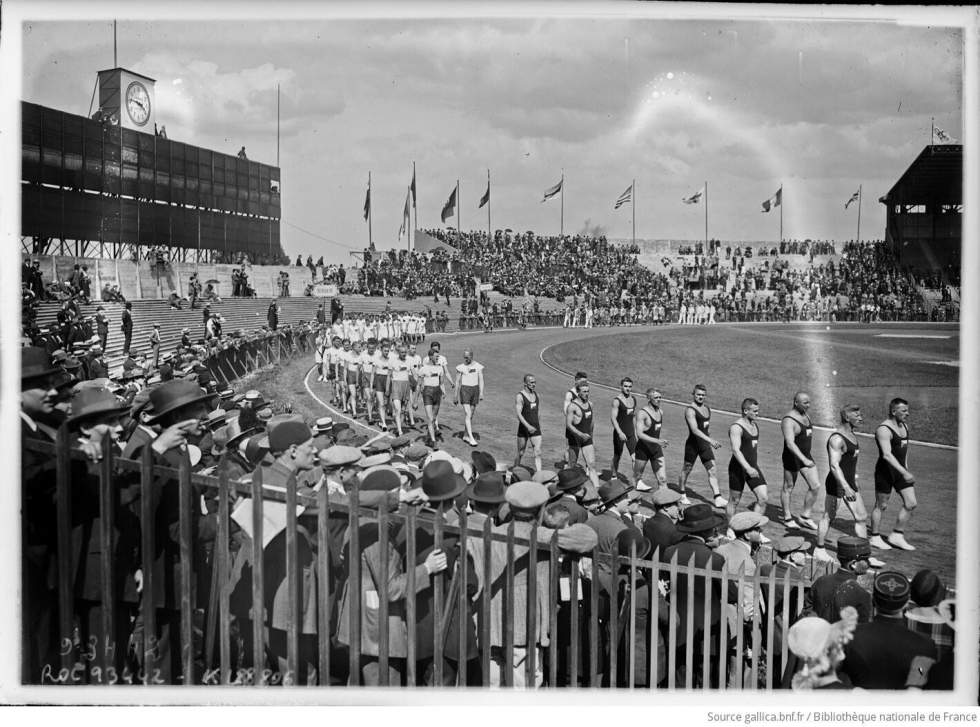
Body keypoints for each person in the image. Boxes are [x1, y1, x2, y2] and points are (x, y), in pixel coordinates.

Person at [840, 571, 937, 689]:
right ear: (907, 603)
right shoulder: (925, 646)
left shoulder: (849, 636)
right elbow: (919, 680)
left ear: (873, 600)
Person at [815, 404, 873, 559]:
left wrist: (854, 479)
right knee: (828, 516)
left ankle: (862, 553)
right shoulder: (837, 439)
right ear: (847, 418)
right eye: (857, 416)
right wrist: (845, 487)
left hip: (849, 483)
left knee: (861, 517)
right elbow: (834, 466)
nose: (861, 418)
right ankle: (819, 549)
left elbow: (848, 463)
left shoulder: (852, 436)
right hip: (837, 484)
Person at [870, 397, 917, 551]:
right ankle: (875, 537)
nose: (907, 413)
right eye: (904, 411)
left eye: (907, 410)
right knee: (881, 505)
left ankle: (897, 535)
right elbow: (887, 455)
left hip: (901, 472)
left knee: (911, 503)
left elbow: (905, 449)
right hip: (885, 473)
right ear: (893, 411)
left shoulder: (904, 426)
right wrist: (904, 472)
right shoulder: (883, 429)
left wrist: (906, 467)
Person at [677, 384, 726, 507]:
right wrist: (710, 440)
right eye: (698, 394)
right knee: (687, 469)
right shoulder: (690, 410)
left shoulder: (707, 409)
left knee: (712, 470)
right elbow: (694, 430)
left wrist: (708, 439)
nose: (700, 397)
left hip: (704, 446)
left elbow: (704, 428)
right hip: (692, 446)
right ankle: (682, 494)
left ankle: (717, 497)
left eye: (703, 395)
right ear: (693, 394)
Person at [780, 391, 820, 530]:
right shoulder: (788, 420)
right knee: (788, 487)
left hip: (806, 456)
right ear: (796, 402)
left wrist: (806, 457)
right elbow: (790, 443)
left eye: (809, 402)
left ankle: (805, 517)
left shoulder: (805, 415)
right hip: (793, 458)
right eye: (805, 403)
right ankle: (787, 517)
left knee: (815, 486)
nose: (808, 405)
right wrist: (803, 459)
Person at [726, 397, 769, 521]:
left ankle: (753, 529)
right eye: (754, 411)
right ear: (745, 411)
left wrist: (751, 467)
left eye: (757, 411)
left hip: (753, 467)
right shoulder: (736, 427)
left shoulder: (754, 425)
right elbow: (735, 450)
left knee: (763, 498)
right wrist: (747, 468)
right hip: (738, 469)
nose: (757, 413)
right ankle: (730, 529)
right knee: (734, 500)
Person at [633, 387, 669, 492]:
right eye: (656, 397)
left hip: (656, 449)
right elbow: (639, 434)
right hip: (643, 450)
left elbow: (655, 431)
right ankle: (630, 502)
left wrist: (659, 442)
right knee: (636, 478)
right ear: (649, 398)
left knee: (662, 479)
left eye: (660, 397)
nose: (659, 399)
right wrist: (658, 441)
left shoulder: (661, 412)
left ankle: (665, 505)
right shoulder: (642, 413)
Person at [565, 381, 600, 487]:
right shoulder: (572, 406)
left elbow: (591, 422)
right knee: (572, 466)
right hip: (575, 438)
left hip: (587, 438)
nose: (586, 394)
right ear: (578, 392)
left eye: (588, 391)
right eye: (584, 391)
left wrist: (591, 435)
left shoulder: (590, 404)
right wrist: (581, 435)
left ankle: (597, 491)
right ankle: (567, 487)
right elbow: (568, 425)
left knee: (592, 466)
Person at [454, 349, 484, 447]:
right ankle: (471, 438)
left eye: (467, 357)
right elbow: (457, 382)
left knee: (471, 415)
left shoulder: (478, 366)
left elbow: (481, 380)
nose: (465, 359)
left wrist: (481, 393)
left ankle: (466, 435)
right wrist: (455, 395)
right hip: (465, 390)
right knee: (468, 413)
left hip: (475, 390)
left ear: (471, 356)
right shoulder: (460, 367)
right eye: (464, 357)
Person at [609, 377, 637, 482]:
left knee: (635, 458)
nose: (627, 388)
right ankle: (613, 476)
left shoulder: (633, 399)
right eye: (625, 386)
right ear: (621, 387)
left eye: (630, 386)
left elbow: (633, 416)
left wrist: (635, 432)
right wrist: (620, 432)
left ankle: (636, 481)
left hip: (630, 434)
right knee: (617, 456)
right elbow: (613, 418)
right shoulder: (617, 401)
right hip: (619, 434)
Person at [418, 347, 447, 446]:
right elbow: (419, 384)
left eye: (438, 356)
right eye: (436, 356)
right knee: (430, 418)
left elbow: (441, 382)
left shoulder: (440, 368)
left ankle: (428, 437)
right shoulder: (423, 369)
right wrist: (415, 400)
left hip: (437, 393)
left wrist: (444, 392)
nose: (438, 358)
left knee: (434, 418)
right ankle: (434, 441)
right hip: (427, 393)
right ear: (430, 357)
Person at [514, 374, 542, 473]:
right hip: (524, 428)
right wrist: (528, 426)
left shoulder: (537, 395)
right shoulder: (520, 396)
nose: (534, 384)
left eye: (534, 382)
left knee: (538, 452)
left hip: (535, 428)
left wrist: (536, 424)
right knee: (520, 452)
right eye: (531, 382)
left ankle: (539, 474)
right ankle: (515, 470)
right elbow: (518, 414)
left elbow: (538, 412)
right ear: (525, 383)